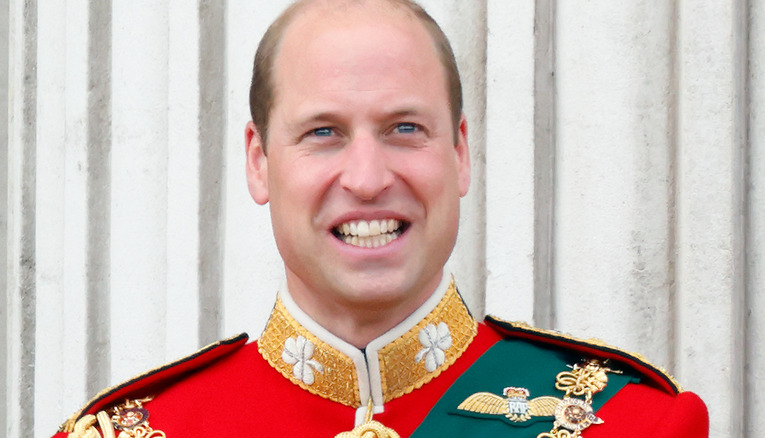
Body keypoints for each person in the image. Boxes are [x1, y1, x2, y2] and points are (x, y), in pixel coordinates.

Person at [54, 1, 708, 437]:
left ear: (460, 153)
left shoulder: (631, 423)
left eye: (404, 128)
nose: (367, 178)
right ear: (258, 161)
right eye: (323, 132)